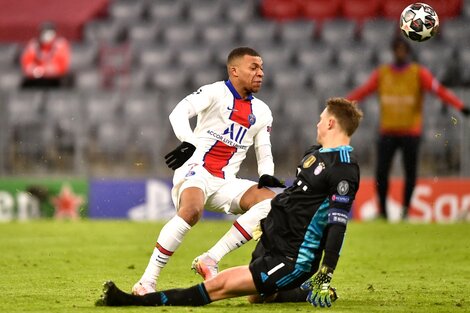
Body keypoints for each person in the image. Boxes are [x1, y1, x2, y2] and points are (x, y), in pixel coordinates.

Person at [96, 97, 363, 308]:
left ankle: (135, 299)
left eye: (321, 119)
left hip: (293, 258)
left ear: (330, 124)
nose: (317, 124)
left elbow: (337, 225)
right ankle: (300, 293)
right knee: (258, 298)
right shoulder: (313, 154)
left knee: (219, 287)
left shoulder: (344, 169)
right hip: (274, 241)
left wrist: (325, 273)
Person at [131, 47, 285, 296]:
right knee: (191, 211)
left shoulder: (263, 112)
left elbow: (264, 149)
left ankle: (211, 258)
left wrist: (266, 173)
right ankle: (147, 281)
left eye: (262, 68)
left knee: (274, 203)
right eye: (254, 67)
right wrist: (188, 141)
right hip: (196, 170)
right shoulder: (214, 92)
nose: (261, 73)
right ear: (234, 70)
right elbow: (179, 112)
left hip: (226, 181)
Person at [347, 36, 469, 220]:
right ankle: (383, 212)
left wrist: (460, 105)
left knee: (410, 172)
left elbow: (439, 91)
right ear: (393, 51)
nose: (400, 53)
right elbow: (363, 91)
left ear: (408, 52)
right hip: (387, 130)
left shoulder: (418, 73)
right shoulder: (383, 73)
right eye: (397, 50)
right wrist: (342, 104)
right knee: (381, 172)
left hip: (411, 131)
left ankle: (405, 211)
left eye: (403, 50)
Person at [20, 22, 71, 89]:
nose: (47, 35)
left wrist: (40, 70)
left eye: (50, 33)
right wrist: (41, 71)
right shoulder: (33, 44)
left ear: (54, 33)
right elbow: (27, 66)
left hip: (55, 80)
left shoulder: (61, 44)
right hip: (35, 79)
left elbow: (61, 67)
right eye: (44, 32)